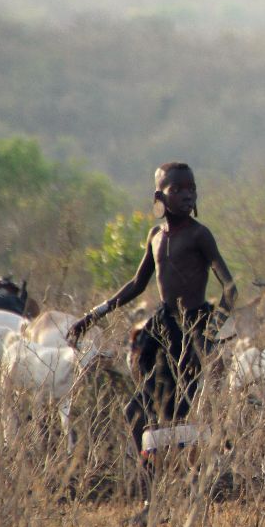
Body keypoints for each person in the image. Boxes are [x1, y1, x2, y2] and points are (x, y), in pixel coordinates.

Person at [67, 162, 237, 470]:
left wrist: (211, 331)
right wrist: (92, 316)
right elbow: (136, 284)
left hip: (192, 332)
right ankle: (152, 490)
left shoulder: (200, 235)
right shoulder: (155, 235)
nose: (187, 195)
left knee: (181, 419)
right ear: (159, 195)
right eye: (178, 190)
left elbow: (230, 287)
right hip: (161, 331)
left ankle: (191, 486)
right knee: (137, 413)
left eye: (191, 189)